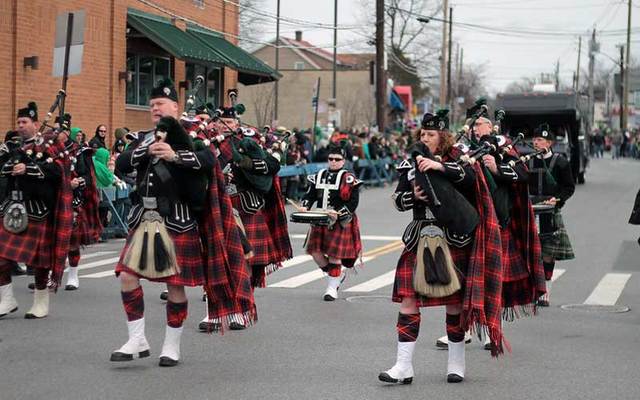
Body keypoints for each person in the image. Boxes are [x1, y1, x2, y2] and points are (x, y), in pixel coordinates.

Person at [110, 78, 256, 367]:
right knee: (127, 276)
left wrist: (176, 156)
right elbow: (124, 162)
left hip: (177, 221)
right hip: (144, 219)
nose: (155, 109)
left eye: (160, 104)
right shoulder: (144, 138)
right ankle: (137, 338)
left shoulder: (194, 133)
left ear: (175, 107)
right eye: (151, 105)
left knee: (175, 286)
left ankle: (171, 345)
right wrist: (145, 151)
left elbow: (209, 160)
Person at [379, 109, 504, 385]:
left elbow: (472, 181)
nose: (425, 138)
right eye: (423, 134)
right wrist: (412, 195)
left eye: (431, 134)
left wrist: (438, 167)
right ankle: (403, 366)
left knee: (455, 303)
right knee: (409, 299)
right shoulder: (410, 163)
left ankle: (456, 363)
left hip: (453, 237)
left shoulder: (458, 159)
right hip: (420, 235)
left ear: (443, 137)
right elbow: (399, 201)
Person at [0, 102, 73, 319]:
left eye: (25, 122)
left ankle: (41, 301)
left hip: (38, 209)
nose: (21, 126)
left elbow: (59, 170)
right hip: (12, 208)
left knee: (38, 261)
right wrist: (12, 166)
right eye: (19, 122)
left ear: (36, 124)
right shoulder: (13, 147)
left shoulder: (48, 146)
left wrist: (29, 168)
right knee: (1, 257)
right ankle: (7, 299)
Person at [300, 143, 363, 301]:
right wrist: (305, 206)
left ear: (343, 161)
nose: (333, 161)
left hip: (339, 222)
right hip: (319, 220)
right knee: (315, 253)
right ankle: (335, 275)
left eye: (337, 159)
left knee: (335, 256)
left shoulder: (348, 178)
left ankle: (331, 288)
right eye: (331, 159)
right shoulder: (318, 175)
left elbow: (353, 203)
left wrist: (338, 214)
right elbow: (310, 195)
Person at [528, 123, 575, 306]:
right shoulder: (528, 161)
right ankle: (533, 289)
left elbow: (569, 187)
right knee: (532, 251)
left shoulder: (560, 162)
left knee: (548, 253)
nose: (536, 143)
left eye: (539, 140)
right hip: (530, 210)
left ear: (549, 142)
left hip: (550, 211)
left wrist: (558, 199)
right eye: (534, 139)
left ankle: (545, 291)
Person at [64, 127, 102, 290]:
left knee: (72, 240)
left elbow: (87, 176)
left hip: (72, 199)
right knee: (51, 241)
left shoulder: (80, 153)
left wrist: (78, 181)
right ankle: (50, 274)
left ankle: (73, 275)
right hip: (52, 200)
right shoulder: (47, 151)